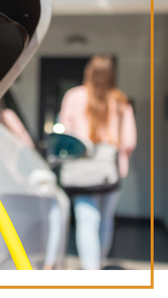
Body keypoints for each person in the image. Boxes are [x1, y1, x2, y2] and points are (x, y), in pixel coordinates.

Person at [56, 55, 137, 271]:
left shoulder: (73, 96)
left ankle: (91, 270)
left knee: (86, 221)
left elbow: (65, 133)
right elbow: (129, 142)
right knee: (106, 220)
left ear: (89, 72)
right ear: (112, 74)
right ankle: (98, 264)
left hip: (81, 168)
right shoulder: (120, 100)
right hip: (111, 170)